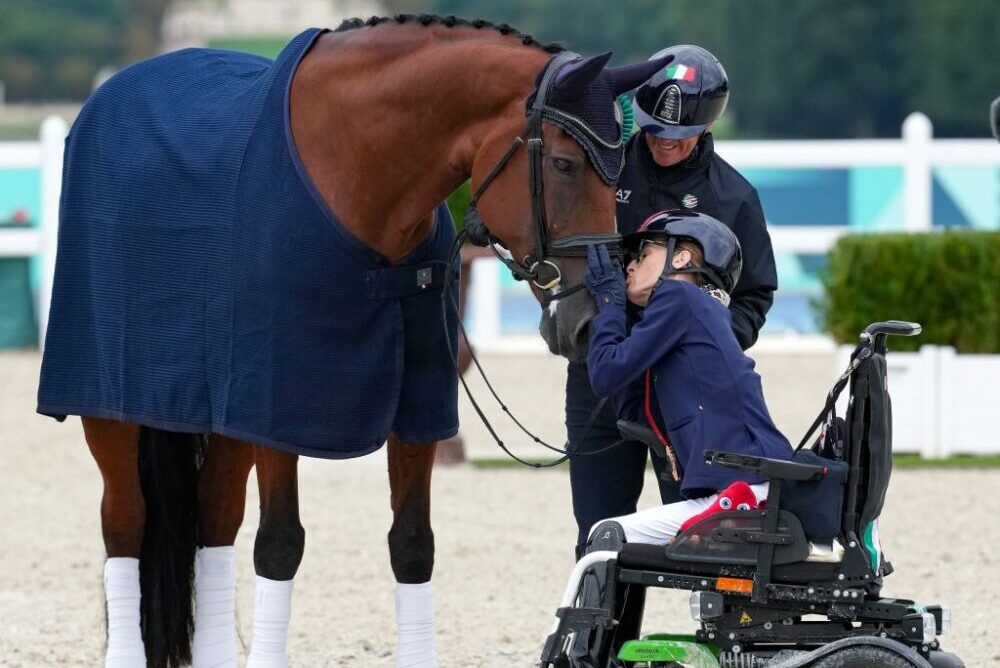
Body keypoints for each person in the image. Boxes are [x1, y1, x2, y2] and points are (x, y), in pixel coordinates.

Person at [565, 44, 779, 556]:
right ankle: (607, 638)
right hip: (604, 373)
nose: (663, 142)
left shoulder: (735, 197)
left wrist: (701, 339)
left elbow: (756, 293)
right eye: (655, 130)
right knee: (598, 536)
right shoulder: (605, 171)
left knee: (700, 542)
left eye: (678, 136)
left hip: (685, 389)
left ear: (705, 127)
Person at [562, 211, 792, 668]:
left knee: (605, 535)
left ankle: (584, 660)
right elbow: (628, 401)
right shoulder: (692, 313)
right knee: (611, 537)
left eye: (643, 253)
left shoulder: (680, 298)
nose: (630, 264)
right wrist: (622, 316)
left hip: (743, 494)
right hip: (749, 489)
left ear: (681, 257)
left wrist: (609, 306)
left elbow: (604, 373)